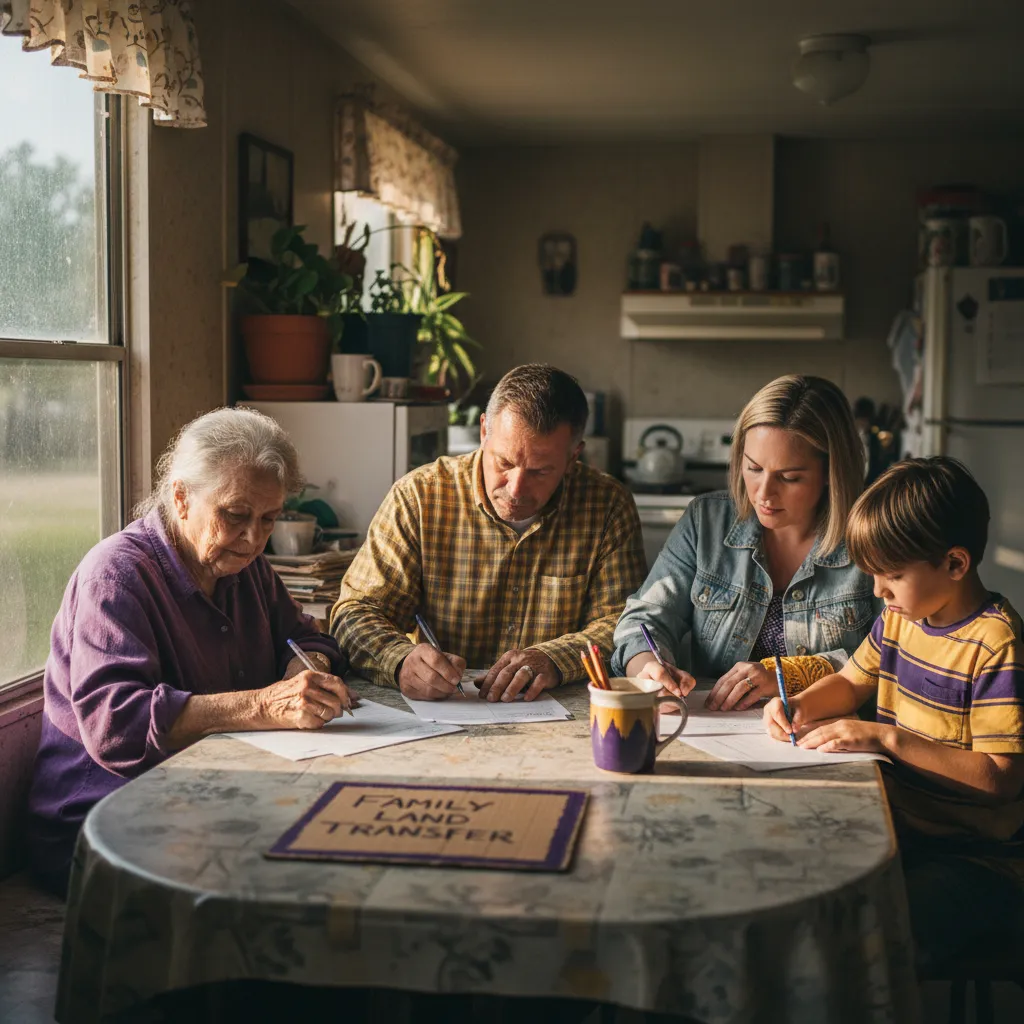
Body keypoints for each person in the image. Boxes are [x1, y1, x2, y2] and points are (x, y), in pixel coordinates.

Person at [27, 408, 351, 896]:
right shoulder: (116, 575)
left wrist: (308, 669)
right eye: (235, 515)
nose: (253, 539)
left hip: (208, 787)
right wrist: (266, 704)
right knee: (282, 862)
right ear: (181, 497)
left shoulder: (245, 567)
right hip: (101, 817)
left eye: (269, 519)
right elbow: (115, 725)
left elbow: (307, 636)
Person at [763, 457, 1024, 969]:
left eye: (893, 577)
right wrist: (797, 705)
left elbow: (1000, 780)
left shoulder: (996, 643)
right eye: (874, 576)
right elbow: (850, 681)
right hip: (895, 827)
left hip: (975, 858)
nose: (879, 592)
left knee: (864, 933)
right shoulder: (903, 616)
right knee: (788, 879)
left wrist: (887, 740)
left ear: (954, 564)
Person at [332, 363, 646, 703]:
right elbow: (355, 612)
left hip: (558, 716)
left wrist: (555, 659)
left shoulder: (607, 505)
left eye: (540, 471)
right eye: (504, 463)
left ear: (573, 457)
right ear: (484, 430)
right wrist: (400, 661)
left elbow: (623, 624)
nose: (515, 489)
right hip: (443, 712)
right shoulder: (420, 497)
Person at [611, 375, 877, 706]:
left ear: (831, 472)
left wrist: (789, 675)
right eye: (753, 468)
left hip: (824, 732)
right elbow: (644, 620)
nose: (763, 494)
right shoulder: (705, 521)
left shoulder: (872, 535)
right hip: (717, 731)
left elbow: (896, 654)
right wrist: (648, 667)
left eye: (789, 477)